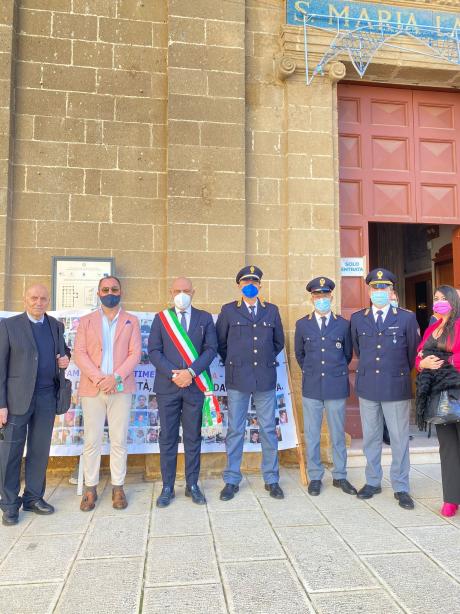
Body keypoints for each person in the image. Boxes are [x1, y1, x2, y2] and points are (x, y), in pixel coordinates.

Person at [0, 284, 70, 526]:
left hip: (46, 398)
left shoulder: (56, 326)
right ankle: (9, 504)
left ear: (48, 301)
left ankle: (33, 497)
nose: (38, 302)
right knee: (10, 453)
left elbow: (64, 351)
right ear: (25, 299)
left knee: (39, 451)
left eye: (43, 298)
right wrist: (1, 404)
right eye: (33, 298)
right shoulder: (9, 326)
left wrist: (65, 358)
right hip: (15, 400)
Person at [351, 268, 420, 509]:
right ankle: (372, 481)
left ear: (391, 291)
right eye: (375, 288)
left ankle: (401, 486)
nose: (379, 292)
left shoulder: (406, 318)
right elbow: (359, 350)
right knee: (371, 437)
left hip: (395, 386)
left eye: (384, 288)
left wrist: (396, 371)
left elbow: (411, 353)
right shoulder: (359, 318)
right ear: (369, 291)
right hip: (368, 385)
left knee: (399, 438)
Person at [216, 265, 285, 501]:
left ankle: (272, 479)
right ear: (239, 286)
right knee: (235, 430)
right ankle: (232, 480)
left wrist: (260, 362)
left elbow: (278, 343)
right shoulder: (228, 311)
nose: (250, 286)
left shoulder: (271, 311)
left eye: (255, 282)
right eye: (246, 282)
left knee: (267, 429)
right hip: (238, 379)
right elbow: (221, 344)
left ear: (260, 286)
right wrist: (236, 362)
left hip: (265, 378)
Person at [148, 277, 217, 507]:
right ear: (171, 292)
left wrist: (191, 372)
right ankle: (167, 486)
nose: (181, 294)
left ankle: (192, 485)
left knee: (192, 437)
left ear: (193, 292)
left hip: (194, 387)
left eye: (186, 290)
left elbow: (210, 349)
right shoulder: (161, 319)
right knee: (167, 437)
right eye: (177, 290)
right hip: (168, 387)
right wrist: (174, 374)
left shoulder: (204, 318)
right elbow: (154, 351)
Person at [74, 276, 141, 512]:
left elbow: (135, 354)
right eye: (105, 289)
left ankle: (118, 486)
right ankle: (90, 488)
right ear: (99, 293)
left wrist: (116, 378)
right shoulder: (86, 321)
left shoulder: (131, 321)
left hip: (121, 388)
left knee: (118, 440)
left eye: (114, 289)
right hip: (93, 388)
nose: (110, 292)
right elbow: (79, 354)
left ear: (121, 291)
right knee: (91, 440)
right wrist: (100, 379)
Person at [295, 276, 357, 497]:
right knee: (311, 434)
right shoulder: (303, 324)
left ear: (331, 296)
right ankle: (315, 476)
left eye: (325, 295)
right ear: (312, 298)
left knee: (338, 434)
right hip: (312, 386)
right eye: (317, 295)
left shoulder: (343, 324)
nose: (321, 299)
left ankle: (340, 475)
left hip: (335, 386)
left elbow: (347, 354)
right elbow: (299, 355)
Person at [415, 285, 460, 517]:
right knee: (448, 447)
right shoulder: (432, 328)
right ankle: (451, 498)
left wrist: (445, 361)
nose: (439, 302)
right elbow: (419, 355)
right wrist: (422, 364)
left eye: (443, 298)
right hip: (438, 394)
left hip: (458, 390)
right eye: (436, 298)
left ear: (453, 301)